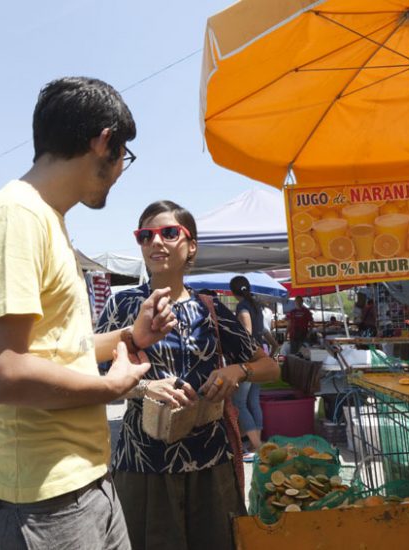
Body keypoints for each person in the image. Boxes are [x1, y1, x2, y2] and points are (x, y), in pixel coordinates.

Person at [0, 77, 178, 550]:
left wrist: (129, 337)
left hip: (82, 481)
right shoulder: (14, 217)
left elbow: (57, 350)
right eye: (123, 156)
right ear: (104, 141)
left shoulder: (47, 221)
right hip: (43, 500)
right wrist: (113, 386)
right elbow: (1, 372)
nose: (120, 171)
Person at [96, 200, 279, 550]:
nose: (156, 242)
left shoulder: (209, 309)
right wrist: (146, 387)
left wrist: (236, 370)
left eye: (168, 232)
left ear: (191, 245)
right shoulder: (122, 307)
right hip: (143, 461)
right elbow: (100, 376)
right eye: (145, 235)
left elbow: (270, 367)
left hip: (209, 461)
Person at [229, 276, 276, 460]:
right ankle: (258, 443)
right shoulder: (257, 306)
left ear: (232, 292)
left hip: (248, 361)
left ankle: (256, 446)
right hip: (260, 359)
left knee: (240, 403)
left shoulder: (243, 307)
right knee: (253, 401)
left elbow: (247, 333)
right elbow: (266, 336)